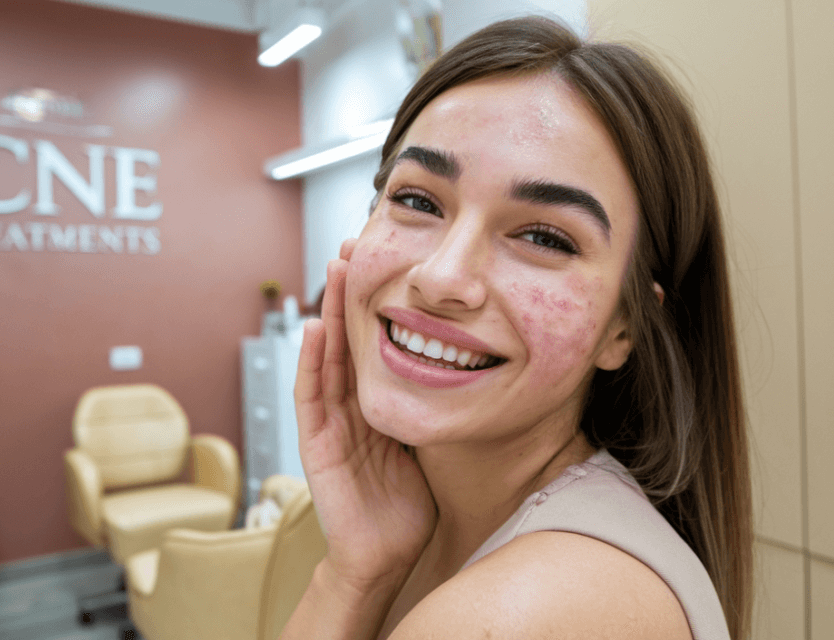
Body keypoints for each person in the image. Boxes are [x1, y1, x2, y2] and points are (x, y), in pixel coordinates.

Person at [283, 16, 751, 640]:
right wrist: (356, 572)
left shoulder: (535, 609)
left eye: (542, 237)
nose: (442, 276)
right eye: (418, 201)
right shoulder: (425, 530)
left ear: (625, 327)